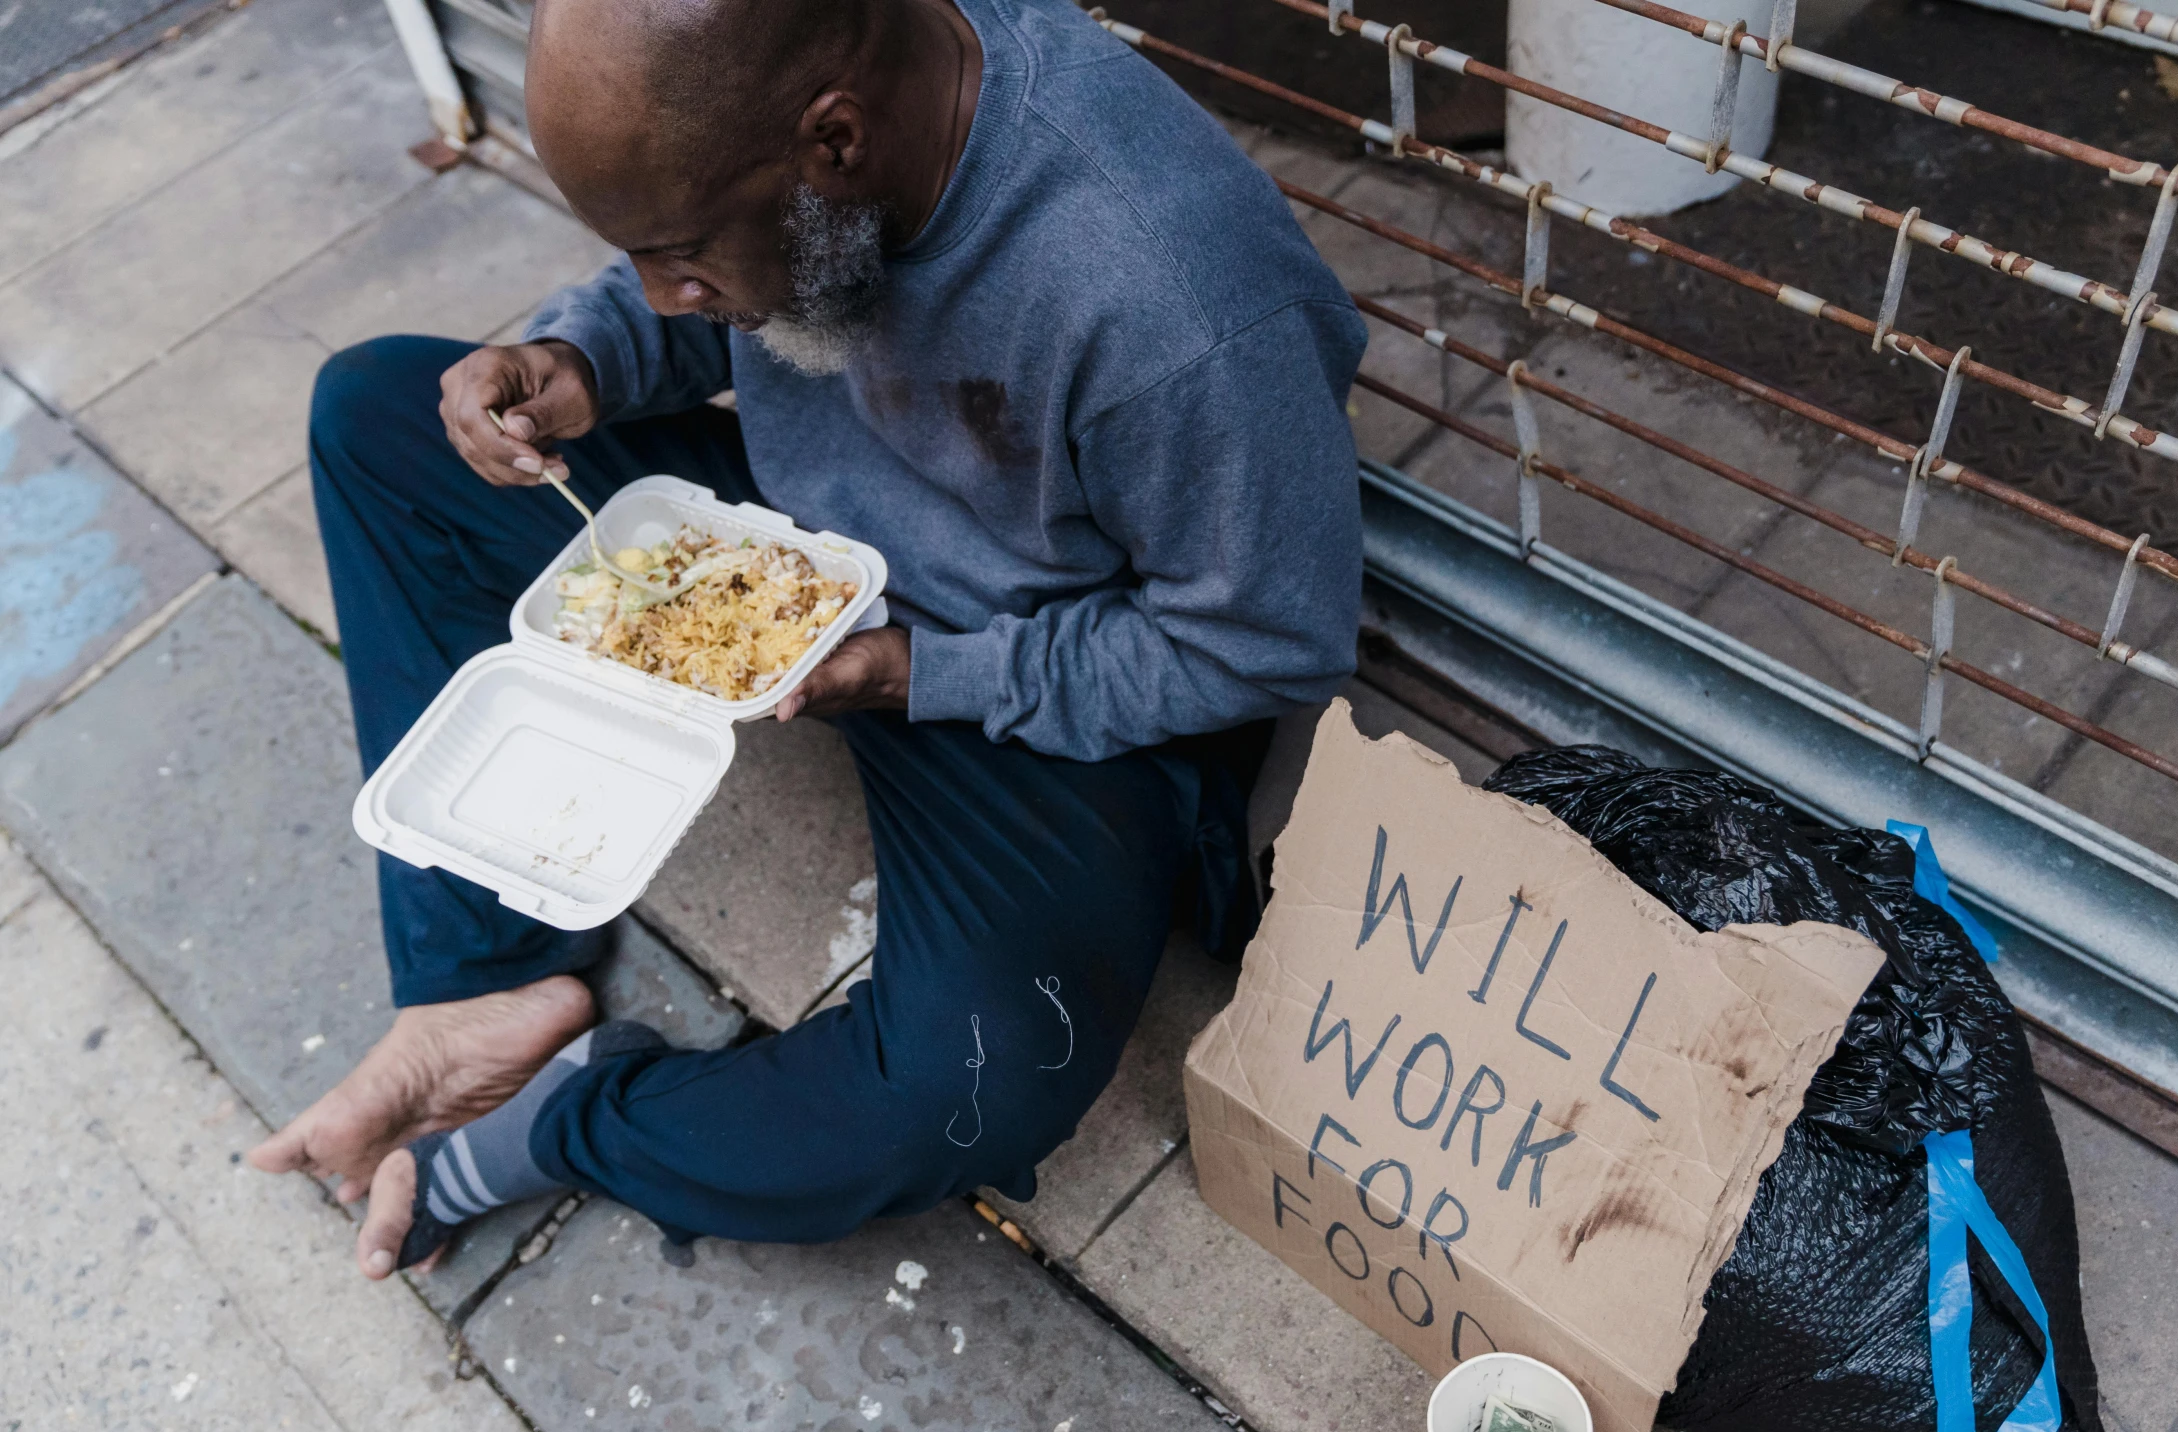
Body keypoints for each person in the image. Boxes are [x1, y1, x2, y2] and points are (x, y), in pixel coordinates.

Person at [248, 0, 1365, 1276]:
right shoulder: (828, 132)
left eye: (681, 256)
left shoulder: (1179, 299)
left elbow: (1261, 644)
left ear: (833, 141)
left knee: (971, 1082)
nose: (670, 295)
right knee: (373, 414)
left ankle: (568, 1119)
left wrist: (917, 674)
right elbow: (671, 286)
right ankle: (489, 977)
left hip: (1031, 660)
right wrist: (585, 354)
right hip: (807, 550)